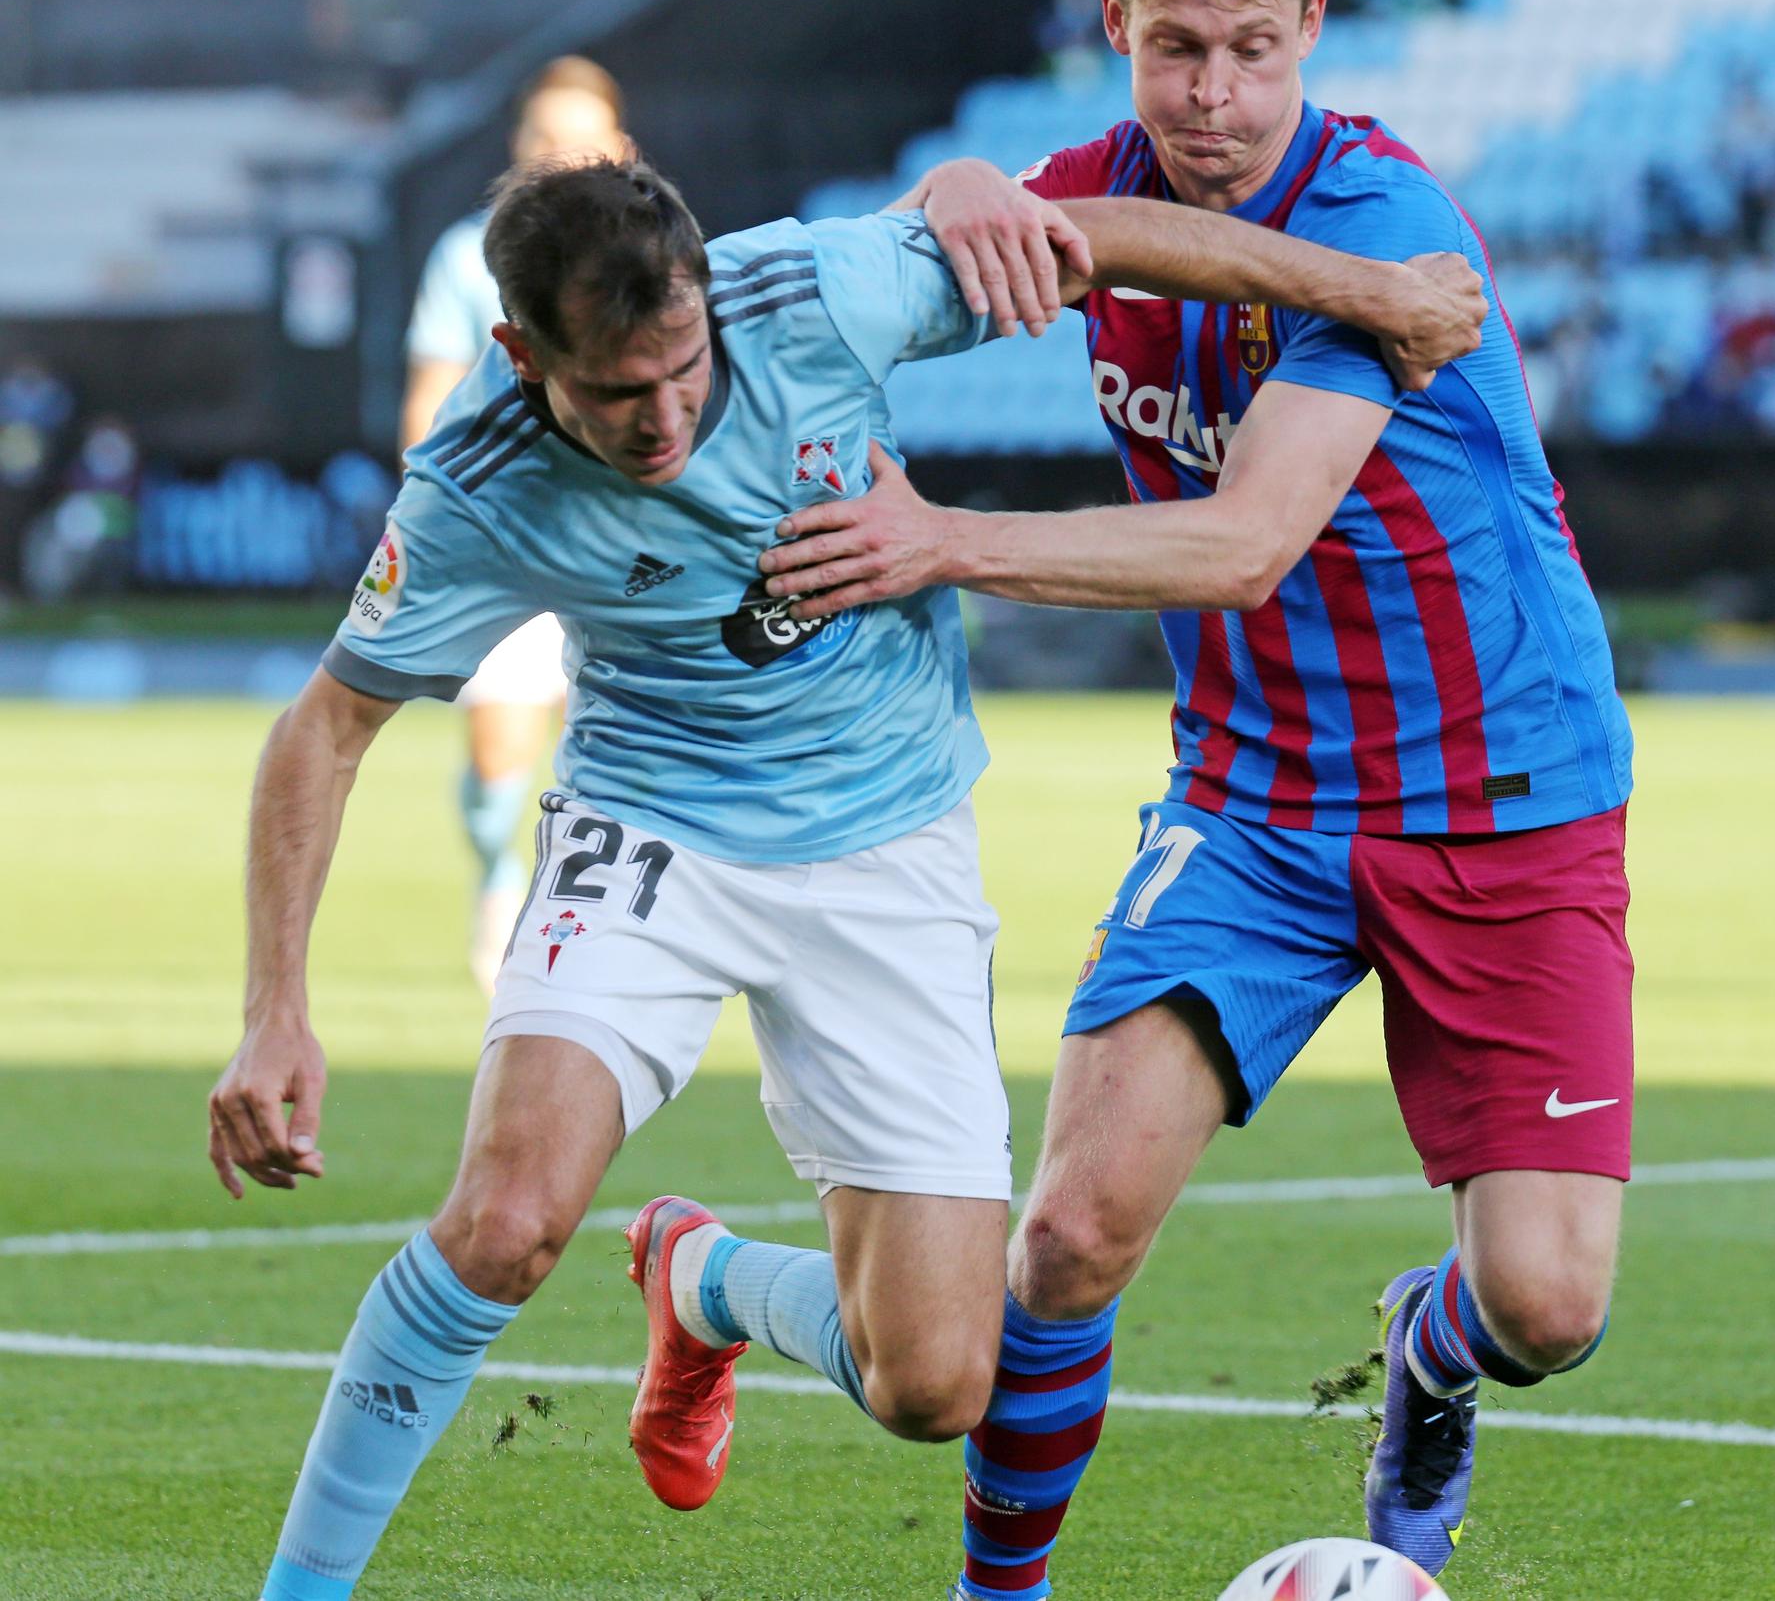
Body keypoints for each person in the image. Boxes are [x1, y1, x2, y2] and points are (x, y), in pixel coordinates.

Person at [206, 146, 1487, 1601]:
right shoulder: (479, 484)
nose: (669, 415)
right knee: (505, 1224)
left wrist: (1373, 292)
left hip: (890, 841)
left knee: (936, 1383)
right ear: (523, 354)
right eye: (620, 392)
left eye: (685, 366)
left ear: (705, 297)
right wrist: (274, 1008)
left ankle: (703, 1283)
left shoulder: (815, 292)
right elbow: (328, 729)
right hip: (654, 828)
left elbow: (1102, 237)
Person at [758, 0, 1636, 1589]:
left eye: (1250, 50)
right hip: (1257, 803)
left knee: (1545, 1306)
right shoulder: (1085, 194)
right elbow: (876, 276)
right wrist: (951, 189)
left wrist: (942, 541)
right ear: (1116, 24)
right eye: (1178, 49)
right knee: (1072, 1231)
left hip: (1505, 793)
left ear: (1311, 22)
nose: (1214, 96)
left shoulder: (1378, 215)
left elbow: (1244, 543)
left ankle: (1426, 1349)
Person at [401, 55, 632, 990]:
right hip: (511, 534)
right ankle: (500, 875)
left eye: (579, 137)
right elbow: (427, 397)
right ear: (517, 150)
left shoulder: (658, 253)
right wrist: (439, 519)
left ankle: (600, 915)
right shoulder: (467, 256)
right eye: (544, 138)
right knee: (501, 747)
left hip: (628, 538)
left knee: (624, 739)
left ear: (619, 149)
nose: (561, 155)